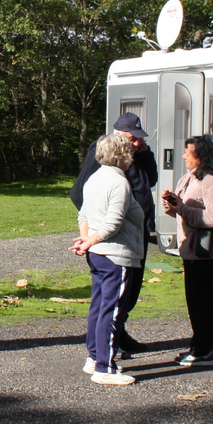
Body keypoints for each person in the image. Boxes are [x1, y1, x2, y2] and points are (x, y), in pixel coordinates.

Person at [70, 112, 157, 354]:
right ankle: (106, 348)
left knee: (130, 288)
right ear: (118, 135)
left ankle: (117, 333)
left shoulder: (135, 154)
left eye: (138, 138)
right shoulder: (105, 153)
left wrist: (145, 153)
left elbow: (150, 181)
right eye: (132, 139)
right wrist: (94, 230)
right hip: (114, 236)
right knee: (112, 293)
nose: (136, 142)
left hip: (136, 233)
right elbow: (79, 193)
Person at [161, 135, 213, 367]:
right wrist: (171, 204)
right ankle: (199, 347)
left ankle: (205, 351)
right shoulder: (188, 178)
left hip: (208, 253)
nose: (184, 156)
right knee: (194, 301)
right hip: (191, 251)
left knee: (204, 303)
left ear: (200, 156)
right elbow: (180, 210)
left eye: (188, 152)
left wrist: (181, 208)